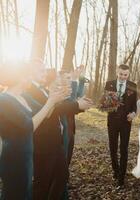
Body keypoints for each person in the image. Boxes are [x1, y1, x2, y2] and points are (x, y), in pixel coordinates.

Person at [23, 60, 93, 200]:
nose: (45, 73)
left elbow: (60, 105)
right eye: (40, 71)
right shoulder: (30, 91)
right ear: (30, 73)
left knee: (62, 176)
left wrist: (79, 106)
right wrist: (77, 105)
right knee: (42, 184)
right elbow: (52, 110)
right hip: (43, 146)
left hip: (56, 144)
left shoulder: (43, 89)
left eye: (44, 70)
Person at [0, 62, 67, 199]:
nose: (31, 78)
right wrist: (50, 101)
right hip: (13, 156)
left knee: (26, 193)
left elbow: (46, 113)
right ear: (20, 78)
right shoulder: (4, 100)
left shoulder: (24, 96)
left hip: (27, 155)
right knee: (14, 194)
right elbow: (29, 126)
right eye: (28, 76)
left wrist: (56, 98)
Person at [104, 64, 138, 188]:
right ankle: (116, 171)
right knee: (113, 148)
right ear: (117, 72)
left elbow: (134, 104)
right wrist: (110, 102)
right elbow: (106, 104)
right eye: (121, 74)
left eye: (125, 75)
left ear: (128, 74)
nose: (123, 77)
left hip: (126, 123)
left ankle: (121, 177)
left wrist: (133, 113)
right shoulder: (109, 84)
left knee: (124, 149)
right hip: (112, 121)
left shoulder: (133, 86)